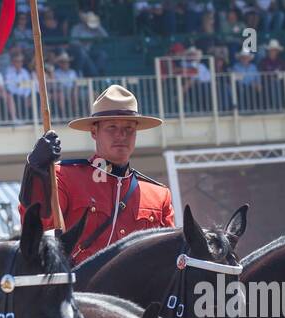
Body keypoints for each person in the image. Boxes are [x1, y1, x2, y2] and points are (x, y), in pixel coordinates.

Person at [20, 83, 174, 264]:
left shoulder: (158, 194)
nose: (121, 135)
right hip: (83, 289)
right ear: (94, 132)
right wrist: (35, 169)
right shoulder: (65, 177)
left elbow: (168, 255)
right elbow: (36, 224)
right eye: (112, 127)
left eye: (128, 129)